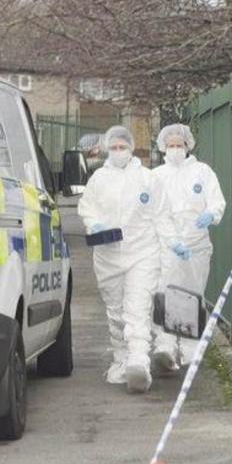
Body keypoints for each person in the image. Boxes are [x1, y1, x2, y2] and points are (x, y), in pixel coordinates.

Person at [77, 125, 175, 392]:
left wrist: (172, 243)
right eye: (114, 147)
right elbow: (87, 208)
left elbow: (161, 215)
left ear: (131, 148)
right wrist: (94, 224)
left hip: (142, 252)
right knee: (116, 311)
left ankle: (138, 362)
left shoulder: (147, 179)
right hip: (108, 255)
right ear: (108, 149)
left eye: (123, 147)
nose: (119, 151)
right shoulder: (98, 179)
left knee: (137, 307)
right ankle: (121, 360)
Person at [150, 123, 226, 371]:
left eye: (178, 145)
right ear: (163, 147)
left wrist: (210, 215)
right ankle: (165, 346)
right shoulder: (157, 176)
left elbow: (217, 202)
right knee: (165, 294)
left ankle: (191, 350)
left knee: (193, 296)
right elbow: (152, 212)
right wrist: (170, 240)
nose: (174, 149)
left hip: (196, 246)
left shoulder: (202, 172)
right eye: (170, 145)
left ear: (187, 145)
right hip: (167, 246)